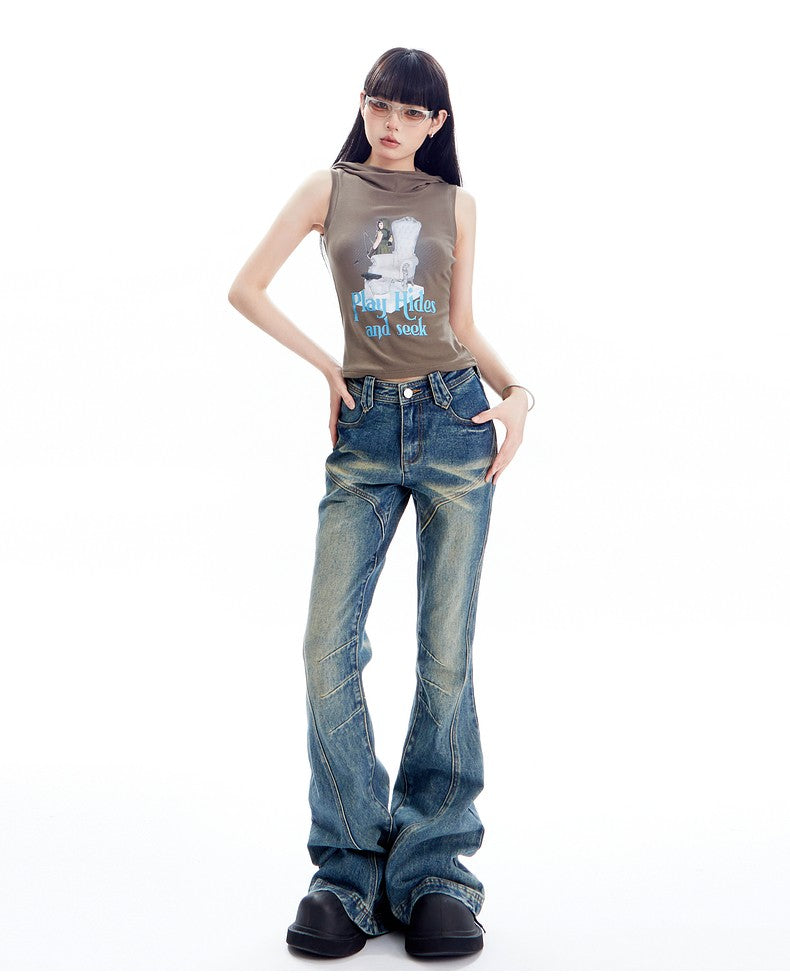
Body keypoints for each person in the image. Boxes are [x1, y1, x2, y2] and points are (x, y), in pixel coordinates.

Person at [228, 46, 534, 960]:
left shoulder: (455, 204)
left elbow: (461, 325)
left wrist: (518, 395)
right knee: (327, 647)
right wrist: (328, 366)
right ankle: (349, 867)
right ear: (363, 106)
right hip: (363, 433)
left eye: (410, 112)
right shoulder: (327, 189)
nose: (391, 125)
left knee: (445, 653)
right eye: (379, 105)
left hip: (453, 421)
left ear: (437, 123)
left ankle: (434, 868)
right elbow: (244, 288)